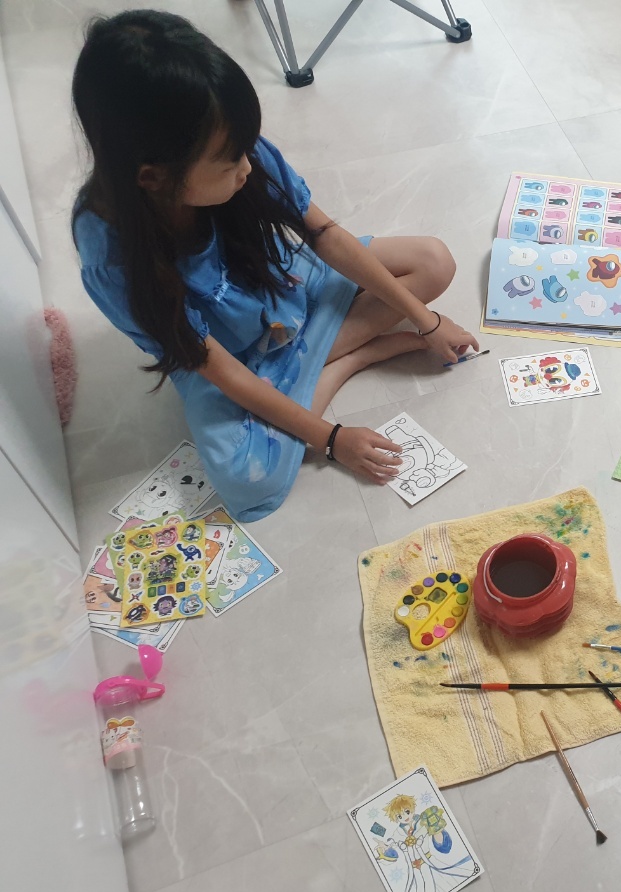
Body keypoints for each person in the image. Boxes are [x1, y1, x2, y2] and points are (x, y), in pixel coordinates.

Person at [72, 10, 477, 521]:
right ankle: (349, 359)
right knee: (250, 479)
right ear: (152, 177)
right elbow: (216, 367)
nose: (247, 167)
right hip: (228, 358)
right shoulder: (113, 259)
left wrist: (428, 322)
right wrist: (331, 438)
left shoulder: (232, 146)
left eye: (245, 150)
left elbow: (324, 235)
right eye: (229, 163)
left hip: (280, 287)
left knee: (432, 262)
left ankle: (308, 367)